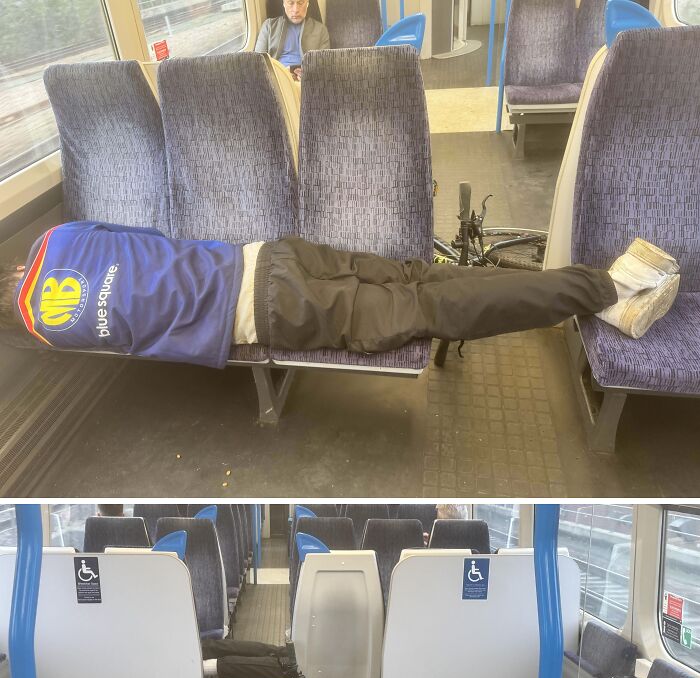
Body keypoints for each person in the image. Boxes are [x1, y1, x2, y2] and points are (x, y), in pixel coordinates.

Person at [1, 221, 680, 368]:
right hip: (271, 254)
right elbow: (141, 238)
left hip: (270, 312)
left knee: (433, 310)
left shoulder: (44, 327)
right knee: (424, 279)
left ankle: (604, 292)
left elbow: (138, 339)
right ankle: (596, 281)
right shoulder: (59, 236)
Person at [255, 0, 330, 80]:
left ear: (307, 3)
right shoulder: (269, 26)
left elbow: (324, 64)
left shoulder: (321, 30)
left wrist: (309, 75)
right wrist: (280, 74)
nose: (295, 10)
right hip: (276, 78)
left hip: (307, 81)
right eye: (290, 3)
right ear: (284, 4)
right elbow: (257, 61)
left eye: (300, 3)